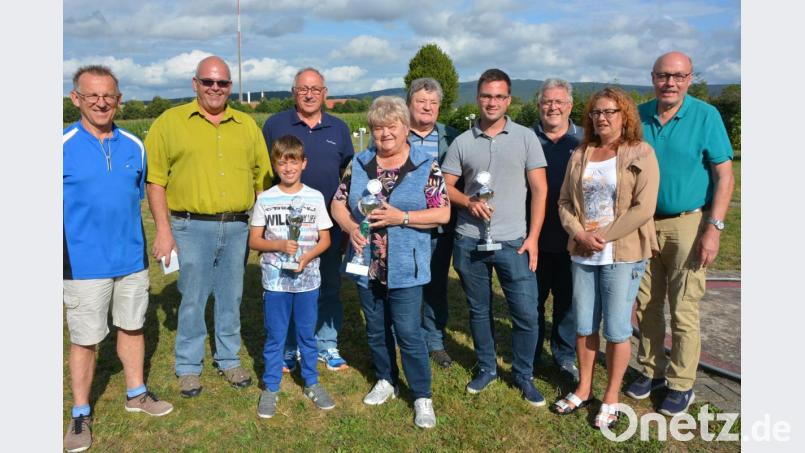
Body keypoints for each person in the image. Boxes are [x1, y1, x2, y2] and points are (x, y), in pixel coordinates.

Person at [145, 56, 272, 398]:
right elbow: (155, 181)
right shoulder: (169, 123)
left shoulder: (246, 126)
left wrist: (264, 226)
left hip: (237, 227)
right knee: (193, 297)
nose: (215, 89)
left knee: (232, 296)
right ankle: (188, 366)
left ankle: (228, 358)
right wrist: (163, 230)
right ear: (195, 83)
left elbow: (262, 179)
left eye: (223, 83)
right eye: (208, 82)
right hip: (190, 226)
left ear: (231, 86)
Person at [64, 65, 173, 452]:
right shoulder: (60, 145)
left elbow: (146, 193)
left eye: (108, 95)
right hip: (83, 264)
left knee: (132, 327)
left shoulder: (133, 145)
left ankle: (136, 393)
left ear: (119, 99)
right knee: (85, 339)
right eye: (92, 95)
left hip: (131, 259)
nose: (101, 102)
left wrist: (163, 231)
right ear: (75, 98)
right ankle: (79, 413)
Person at [625, 51, 735, 416]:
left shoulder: (705, 116)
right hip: (643, 222)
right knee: (647, 303)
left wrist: (713, 228)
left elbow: (723, 175)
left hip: (688, 221)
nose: (669, 83)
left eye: (678, 76)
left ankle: (681, 382)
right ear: (652, 77)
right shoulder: (637, 116)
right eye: (662, 76)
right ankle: (652, 370)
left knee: (684, 306)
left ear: (689, 79)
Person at [331, 96, 450, 429]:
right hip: (365, 262)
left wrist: (404, 217)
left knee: (409, 332)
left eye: (391, 126)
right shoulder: (360, 162)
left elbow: (443, 212)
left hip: (406, 265)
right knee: (376, 328)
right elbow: (338, 203)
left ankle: (422, 395)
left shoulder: (426, 165)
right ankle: (386, 379)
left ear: (405, 127)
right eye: (377, 127)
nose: (384, 133)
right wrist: (351, 227)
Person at [551, 87, 659, 430]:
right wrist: (580, 234)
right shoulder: (581, 152)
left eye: (609, 112)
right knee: (584, 326)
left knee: (616, 329)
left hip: (622, 253)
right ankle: (583, 388)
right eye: (596, 112)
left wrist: (603, 237)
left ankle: (611, 396)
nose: (602, 118)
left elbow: (645, 207)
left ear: (624, 114)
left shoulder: (640, 152)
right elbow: (564, 202)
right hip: (583, 252)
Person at [441, 68, 549, 406]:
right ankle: (487, 368)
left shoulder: (526, 138)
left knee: (526, 312)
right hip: (469, 239)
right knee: (479, 309)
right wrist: (468, 202)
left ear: (509, 100)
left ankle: (523, 374)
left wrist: (533, 238)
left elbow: (540, 190)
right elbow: (445, 188)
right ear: (478, 98)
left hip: (514, 241)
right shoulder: (462, 141)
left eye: (499, 96)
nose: (492, 102)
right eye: (487, 96)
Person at [262, 68, 355, 372]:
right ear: (294, 92)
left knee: (328, 285)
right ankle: (289, 348)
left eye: (316, 88)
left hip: (325, 227)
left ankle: (327, 344)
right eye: (303, 89)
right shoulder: (275, 125)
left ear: (325, 93)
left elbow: (346, 174)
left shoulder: (339, 129)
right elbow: (265, 171)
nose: (310, 94)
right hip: (283, 229)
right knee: (287, 286)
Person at [249, 135, 336, 418]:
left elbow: (325, 240)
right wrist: (277, 245)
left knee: (306, 334)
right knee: (275, 335)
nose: (288, 168)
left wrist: (306, 258)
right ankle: (271, 386)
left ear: (304, 163)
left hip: (308, 279)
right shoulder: (266, 199)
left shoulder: (314, 197)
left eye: (293, 162)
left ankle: (311, 382)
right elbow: (254, 241)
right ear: (275, 165)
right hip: (275, 280)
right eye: (282, 163)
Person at [531, 78, 584, 382]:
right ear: (539, 106)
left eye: (558, 102)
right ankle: (532, 353)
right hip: (535, 236)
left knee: (568, 303)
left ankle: (564, 356)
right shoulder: (526, 139)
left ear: (569, 106)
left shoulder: (585, 142)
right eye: (547, 102)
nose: (552, 107)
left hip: (573, 238)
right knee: (532, 300)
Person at [406, 78, 459, 368]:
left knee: (436, 284)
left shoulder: (452, 137)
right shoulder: (397, 135)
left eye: (433, 103)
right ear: (409, 104)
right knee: (404, 283)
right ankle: (406, 336)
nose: (427, 107)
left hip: (440, 226)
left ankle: (435, 340)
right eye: (421, 102)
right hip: (404, 226)